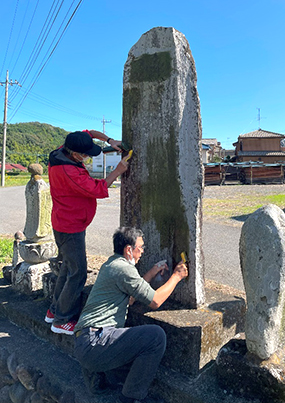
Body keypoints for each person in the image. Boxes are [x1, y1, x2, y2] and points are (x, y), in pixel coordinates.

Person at [73, 227, 188, 403]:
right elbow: (156, 301)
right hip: (96, 341)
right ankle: (130, 398)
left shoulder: (111, 265)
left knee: (131, 352)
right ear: (129, 249)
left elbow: (131, 299)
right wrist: (177, 276)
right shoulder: (124, 269)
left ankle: (100, 377)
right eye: (140, 247)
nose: (142, 251)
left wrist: (152, 272)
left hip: (84, 342)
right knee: (156, 337)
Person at [45, 130, 129, 335]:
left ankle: (54, 310)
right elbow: (97, 189)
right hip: (70, 226)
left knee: (68, 268)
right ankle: (61, 320)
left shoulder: (59, 152)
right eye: (86, 154)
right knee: (78, 273)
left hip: (63, 221)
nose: (88, 157)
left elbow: (89, 132)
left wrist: (110, 141)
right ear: (74, 153)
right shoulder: (69, 172)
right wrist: (118, 169)